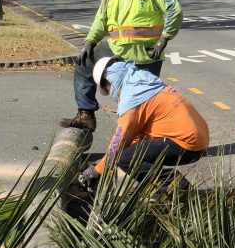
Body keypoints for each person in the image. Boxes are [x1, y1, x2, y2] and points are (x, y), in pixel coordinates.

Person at [60, 0, 183, 132]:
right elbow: (102, 17)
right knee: (84, 63)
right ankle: (85, 114)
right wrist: (90, 42)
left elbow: (174, 9)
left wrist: (164, 38)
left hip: (145, 54)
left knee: (141, 98)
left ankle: (143, 137)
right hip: (117, 49)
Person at [79, 57, 209, 193]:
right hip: (197, 138)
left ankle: (178, 188)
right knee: (127, 156)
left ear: (109, 81)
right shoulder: (142, 81)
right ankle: (169, 188)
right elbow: (133, 141)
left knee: (125, 160)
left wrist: (97, 170)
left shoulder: (131, 98)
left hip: (187, 143)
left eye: (106, 88)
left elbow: (119, 140)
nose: (109, 92)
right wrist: (104, 161)